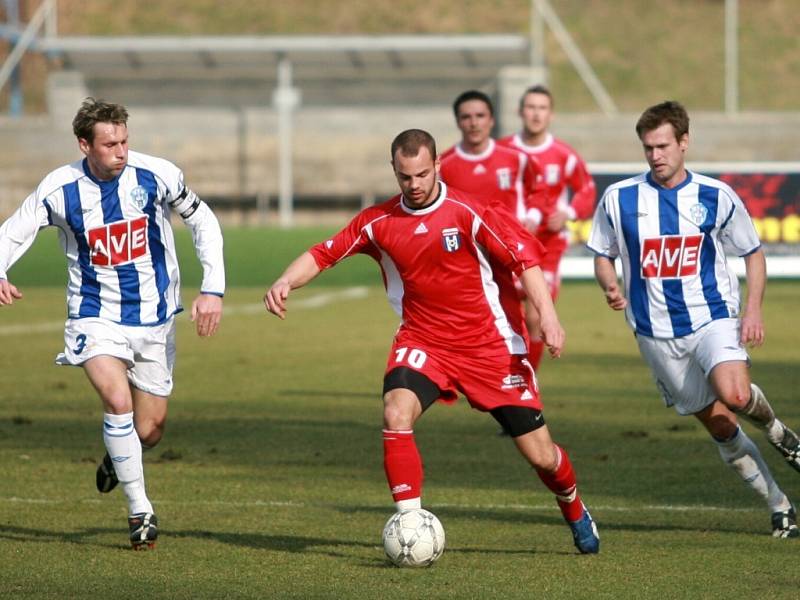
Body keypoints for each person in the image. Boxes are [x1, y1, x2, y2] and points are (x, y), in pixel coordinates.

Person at [265, 128, 600, 554]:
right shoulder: (379, 222)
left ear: (438, 165)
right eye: (406, 177)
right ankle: (409, 525)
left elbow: (525, 261)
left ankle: (573, 506)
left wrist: (548, 319)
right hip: (424, 341)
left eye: (423, 174)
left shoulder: (469, 211)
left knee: (542, 456)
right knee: (395, 412)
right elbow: (324, 252)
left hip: (489, 346)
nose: (415, 185)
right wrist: (285, 281)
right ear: (394, 171)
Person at [0, 98, 226, 549]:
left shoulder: (156, 174)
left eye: (125, 140)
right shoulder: (59, 188)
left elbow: (202, 219)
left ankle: (118, 456)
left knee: (151, 430)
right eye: (110, 144)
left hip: (155, 318)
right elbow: (13, 231)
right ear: (85, 144)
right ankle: (140, 510)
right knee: (116, 399)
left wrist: (212, 287)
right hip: (94, 315)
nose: (121, 151)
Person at [587, 100, 800, 538]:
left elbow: (753, 253)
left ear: (684, 143)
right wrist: (609, 285)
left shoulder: (715, 195)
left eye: (663, 145)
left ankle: (777, 429)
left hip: (712, 317)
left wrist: (753, 309)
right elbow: (602, 253)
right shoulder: (620, 198)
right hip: (655, 334)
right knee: (721, 425)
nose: (655, 155)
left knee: (735, 394)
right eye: (648, 148)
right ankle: (779, 504)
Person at [439, 90, 547, 371]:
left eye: (480, 116)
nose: (473, 122)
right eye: (466, 117)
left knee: (531, 317)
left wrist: (533, 214)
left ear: (491, 120)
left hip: (510, 253)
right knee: (472, 325)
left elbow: (539, 190)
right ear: (458, 122)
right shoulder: (445, 165)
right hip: (469, 259)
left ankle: (525, 376)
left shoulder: (516, 159)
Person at [499, 84, 596, 370]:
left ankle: (528, 379)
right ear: (520, 112)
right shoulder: (504, 150)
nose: (536, 114)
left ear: (550, 114)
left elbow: (586, 190)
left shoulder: (562, 154)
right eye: (530, 107)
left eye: (542, 108)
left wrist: (567, 212)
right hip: (507, 243)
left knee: (536, 316)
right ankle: (501, 375)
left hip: (547, 246)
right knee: (504, 317)